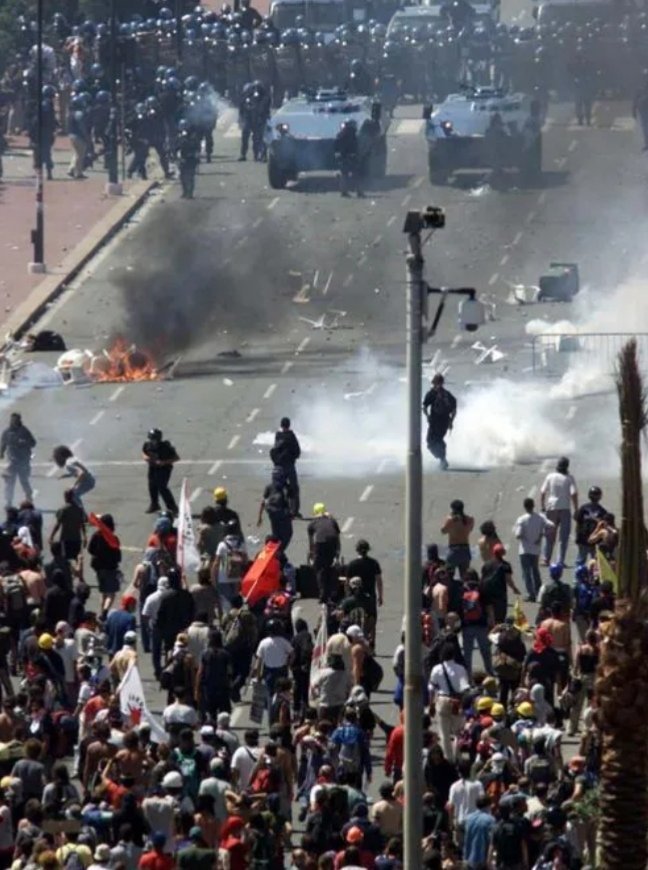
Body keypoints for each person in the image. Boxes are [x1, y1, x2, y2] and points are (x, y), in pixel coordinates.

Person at [428, 643, 469, 762]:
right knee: (458, 732)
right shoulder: (461, 669)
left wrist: (431, 703)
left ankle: (448, 758)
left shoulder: (437, 669)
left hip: (442, 700)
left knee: (444, 733)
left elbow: (431, 687)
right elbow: (465, 687)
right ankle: (457, 755)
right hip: (457, 702)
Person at [513, 497, 554, 602]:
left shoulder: (521, 519)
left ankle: (531, 594)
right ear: (533, 505)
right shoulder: (540, 517)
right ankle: (539, 591)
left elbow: (518, 535)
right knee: (535, 571)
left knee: (526, 573)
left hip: (524, 550)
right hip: (535, 549)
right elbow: (552, 525)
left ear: (525, 507)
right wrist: (542, 534)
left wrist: (524, 537)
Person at [540, 456, 578, 565]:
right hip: (565, 508)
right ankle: (560, 560)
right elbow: (574, 493)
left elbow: (542, 492)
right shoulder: (569, 478)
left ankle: (546, 559)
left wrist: (542, 506)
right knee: (563, 536)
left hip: (551, 508)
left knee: (549, 534)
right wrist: (576, 509)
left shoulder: (550, 476)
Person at [345, 539, 383, 647]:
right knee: (372, 619)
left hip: (355, 596)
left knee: (352, 618)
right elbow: (379, 580)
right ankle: (372, 643)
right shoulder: (373, 563)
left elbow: (347, 582)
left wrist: (347, 595)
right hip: (370, 595)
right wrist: (380, 596)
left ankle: (354, 641)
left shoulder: (352, 564)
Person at [87, 513, 122, 617]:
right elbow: (117, 554)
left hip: (99, 568)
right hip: (110, 568)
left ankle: (102, 612)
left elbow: (90, 549)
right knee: (111, 593)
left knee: (103, 592)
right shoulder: (113, 538)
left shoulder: (96, 535)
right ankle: (105, 611)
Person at [0, 413, 36, 508]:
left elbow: (33, 443)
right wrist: (1, 453)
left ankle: (29, 498)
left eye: (16, 420)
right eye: (13, 420)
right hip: (12, 461)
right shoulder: (6, 432)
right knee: (10, 482)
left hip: (23, 461)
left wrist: (24, 442)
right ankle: (9, 501)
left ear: (19, 420)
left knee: (24, 481)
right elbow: (3, 443)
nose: (14, 422)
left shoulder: (24, 431)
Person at [307, 503, 341, 602]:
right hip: (332, 542)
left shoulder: (312, 524)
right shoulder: (332, 521)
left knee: (320, 569)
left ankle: (323, 594)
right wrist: (337, 554)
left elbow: (311, 543)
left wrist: (312, 555)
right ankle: (334, 592)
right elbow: (337, 539)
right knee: (332, 567)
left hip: (320, 543)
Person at [480, 543, 521, 624]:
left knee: (489, 612)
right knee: (500, 615)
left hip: (487, 592)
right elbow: (508, 579)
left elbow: (482, 578)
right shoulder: (505, 565)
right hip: (499, 593)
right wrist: (514, 589)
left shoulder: (487, 564)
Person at [422, 374, 457, 470]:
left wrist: (427, 416)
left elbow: (424, 407)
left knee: (430, 442)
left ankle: (442, 459)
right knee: (438, 439)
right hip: (445, 423)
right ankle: (442, 459)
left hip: (434, 422)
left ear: (434, 382)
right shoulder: (448, 394)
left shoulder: (432, 393)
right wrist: (451, 421)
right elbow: (454, 409)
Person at [142, 429, 179, 515]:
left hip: (164, 469)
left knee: (162, 487)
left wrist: (164, 462)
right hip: (153, 467)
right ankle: (154, 504)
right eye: (151, 439)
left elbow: (176, 458)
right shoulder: (147, 445)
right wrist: (146, 458)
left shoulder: (165, 447)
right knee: (152, 486)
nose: (152, 441)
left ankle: (172, 506)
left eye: (153, 439)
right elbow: (144, 452)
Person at [271, 417, 301, 516]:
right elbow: (297, 451)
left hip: (278, 466)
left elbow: (274, 450)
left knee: (277, 487)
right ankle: (294, 510)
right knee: (294, 488)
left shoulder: (278, 435)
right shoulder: (291, 436)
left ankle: (277, 507)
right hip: (289, 466)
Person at [52, 446, 96, 510]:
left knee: (73, 494)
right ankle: (80, 510)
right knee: (74, 494)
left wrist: (74, 485)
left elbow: (81, 473)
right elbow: (78, 471)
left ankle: (80, 512)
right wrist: (66, 475)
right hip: (90, 478)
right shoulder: (72, 459)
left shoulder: (68, 464)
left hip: (88, 481)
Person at [49, 489, 87, 562]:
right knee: (78, 559)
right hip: (77, 539)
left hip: (65, 539)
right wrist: (85, 536)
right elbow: (82, 524)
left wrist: (51, 536)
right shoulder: (79, 509)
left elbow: (58, 524)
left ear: (65, 497)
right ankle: (79, 572)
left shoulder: (63, 509)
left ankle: (67, 572)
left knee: (64, 559)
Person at [441, 500, 474, 580]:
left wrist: (448, 518)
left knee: (447, 576)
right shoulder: (470, 519)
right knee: (465, 577)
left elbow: (443, 531)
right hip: (465, 550)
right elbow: (470, 529)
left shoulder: (451, 520)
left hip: (454, 550)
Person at [574, 485, 608, 563]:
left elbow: (578, 523)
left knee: (591, 560)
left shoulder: (600, 510)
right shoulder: (600, 510)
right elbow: (578, 521)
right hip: (585, 538)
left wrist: (577, 535)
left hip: (593, 539)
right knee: (583, 560)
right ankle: (582, 574)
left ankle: (589, 574)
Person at [462, 795, 495, 869]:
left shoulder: (468, 818)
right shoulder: (491, 820)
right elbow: (492, 841)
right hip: (482, 857)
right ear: (488, 805)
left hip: (468, 856)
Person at [334, 119, 364, 198]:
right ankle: (359, 192)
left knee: (344, 175)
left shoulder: (340, 135)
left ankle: (344, 192)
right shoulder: (352, 135)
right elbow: (355, 147)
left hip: (343, 158)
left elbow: (336, 147)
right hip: (351, 157)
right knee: (356, 175)